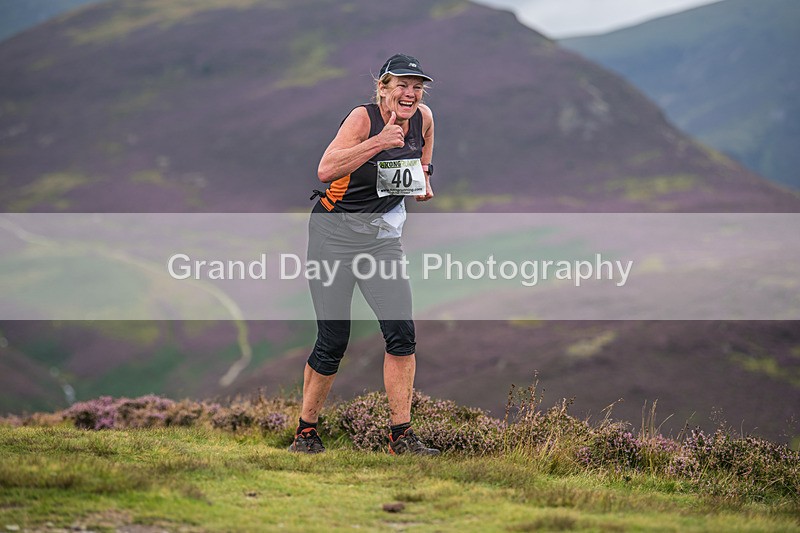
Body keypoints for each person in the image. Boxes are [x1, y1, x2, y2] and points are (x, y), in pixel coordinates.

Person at [289, 54, 439, 455]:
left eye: (416, 86)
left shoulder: (424, 118)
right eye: (402, 85)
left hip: (380, 241)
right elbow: (325, 170)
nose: (410, 93)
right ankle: (306, 433)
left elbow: (423, 161)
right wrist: (379, 142)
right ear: (383, 88)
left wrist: (423, 181)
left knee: (402, 335)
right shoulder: (363, 119)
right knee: (333, 339)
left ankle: (401, 438)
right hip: (332, 237)